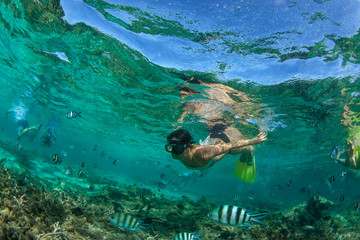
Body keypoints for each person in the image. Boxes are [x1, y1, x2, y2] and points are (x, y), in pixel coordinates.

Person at [167, 77, 267, 183]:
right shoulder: (176, 153)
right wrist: (179, 121)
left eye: (176, 148)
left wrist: (255, 140)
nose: (172, 152)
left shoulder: (204, 153)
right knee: (217, 139)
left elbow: (231, 145)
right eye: (169, 147)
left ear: (187, 148)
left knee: (229, 150)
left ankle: (249, 150)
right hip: (210, 135)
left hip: (211, 148)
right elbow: (186, 109)